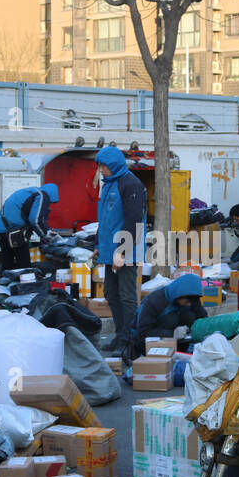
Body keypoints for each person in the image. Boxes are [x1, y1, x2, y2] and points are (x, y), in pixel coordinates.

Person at [95, 146, 147, 357]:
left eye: (104, 166)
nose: (101, 170)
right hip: (110, 250)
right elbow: (105, 219)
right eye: (99, 166)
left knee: (126, 296)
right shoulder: (109, 184)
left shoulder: (130, 184)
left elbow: (134, 221)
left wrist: (123, 251)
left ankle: (128, 340)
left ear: (114, 165)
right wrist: (98, 246)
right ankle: (120, 334)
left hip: (126, 250)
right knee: (111, 293)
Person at [126, 273, 209, 360]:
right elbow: (143, 332)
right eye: (187, 301)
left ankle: (182, 350)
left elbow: (203, 318)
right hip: (149, 345)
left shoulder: (192, 299)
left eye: (191, 302)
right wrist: (172, 334)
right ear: (179, 295)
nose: (189, 304)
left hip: (178, 342)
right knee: (171, 318)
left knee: (189, 315)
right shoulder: (154, 301)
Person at [0, 183, 59, 271]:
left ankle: (5, 282)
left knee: (7, 263)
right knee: (24, 266)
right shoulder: (42, 195)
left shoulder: (30, 191)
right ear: (53, 194)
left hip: (1, 230)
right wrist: (46, 235)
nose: (49, 204)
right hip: (15, 232)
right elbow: (35, 220)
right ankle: (26, 284)